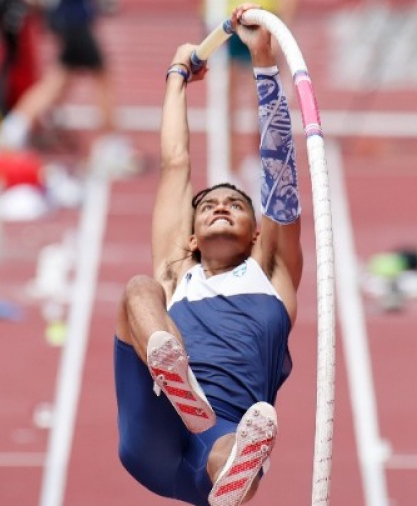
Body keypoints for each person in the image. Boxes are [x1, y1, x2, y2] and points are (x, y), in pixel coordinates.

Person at [114, 5, 303, 505]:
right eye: (209, 205)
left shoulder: (275, 277)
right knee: (140, 289)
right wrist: (176, 78)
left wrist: (264, 65)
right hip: (154, 424)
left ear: (256, 234)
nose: (220, 205)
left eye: (236, 204)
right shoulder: (179, 274)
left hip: (216, 444)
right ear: (192, 237)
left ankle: (233, 482)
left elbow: (279, 173)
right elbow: (175, 164)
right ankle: (170, 366)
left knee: (233, 451)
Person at [0, 0, 131, 171]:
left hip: (69, 19)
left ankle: (13, 128)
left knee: (59, 81)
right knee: (101, 78)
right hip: (73, 20)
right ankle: (112, 142)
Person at [206, 0, 297, 195]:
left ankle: (260, 166)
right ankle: (231, 170)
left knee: (263, 98)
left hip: (266, 18)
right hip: (232, 18)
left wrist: (285, 24)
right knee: (230, 101)